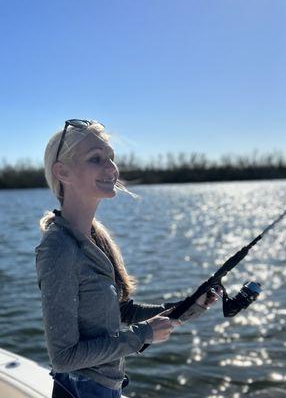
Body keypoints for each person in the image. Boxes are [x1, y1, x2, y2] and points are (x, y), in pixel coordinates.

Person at [35, 119, 221, 398]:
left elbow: (119, 312)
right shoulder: (58, 248)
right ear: (63, 172)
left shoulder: (95, 239)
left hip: (107, 388)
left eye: (111, 158)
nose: (111, 169)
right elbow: (63, 357)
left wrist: (186, 307)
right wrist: (143, 335)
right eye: (96, 159)